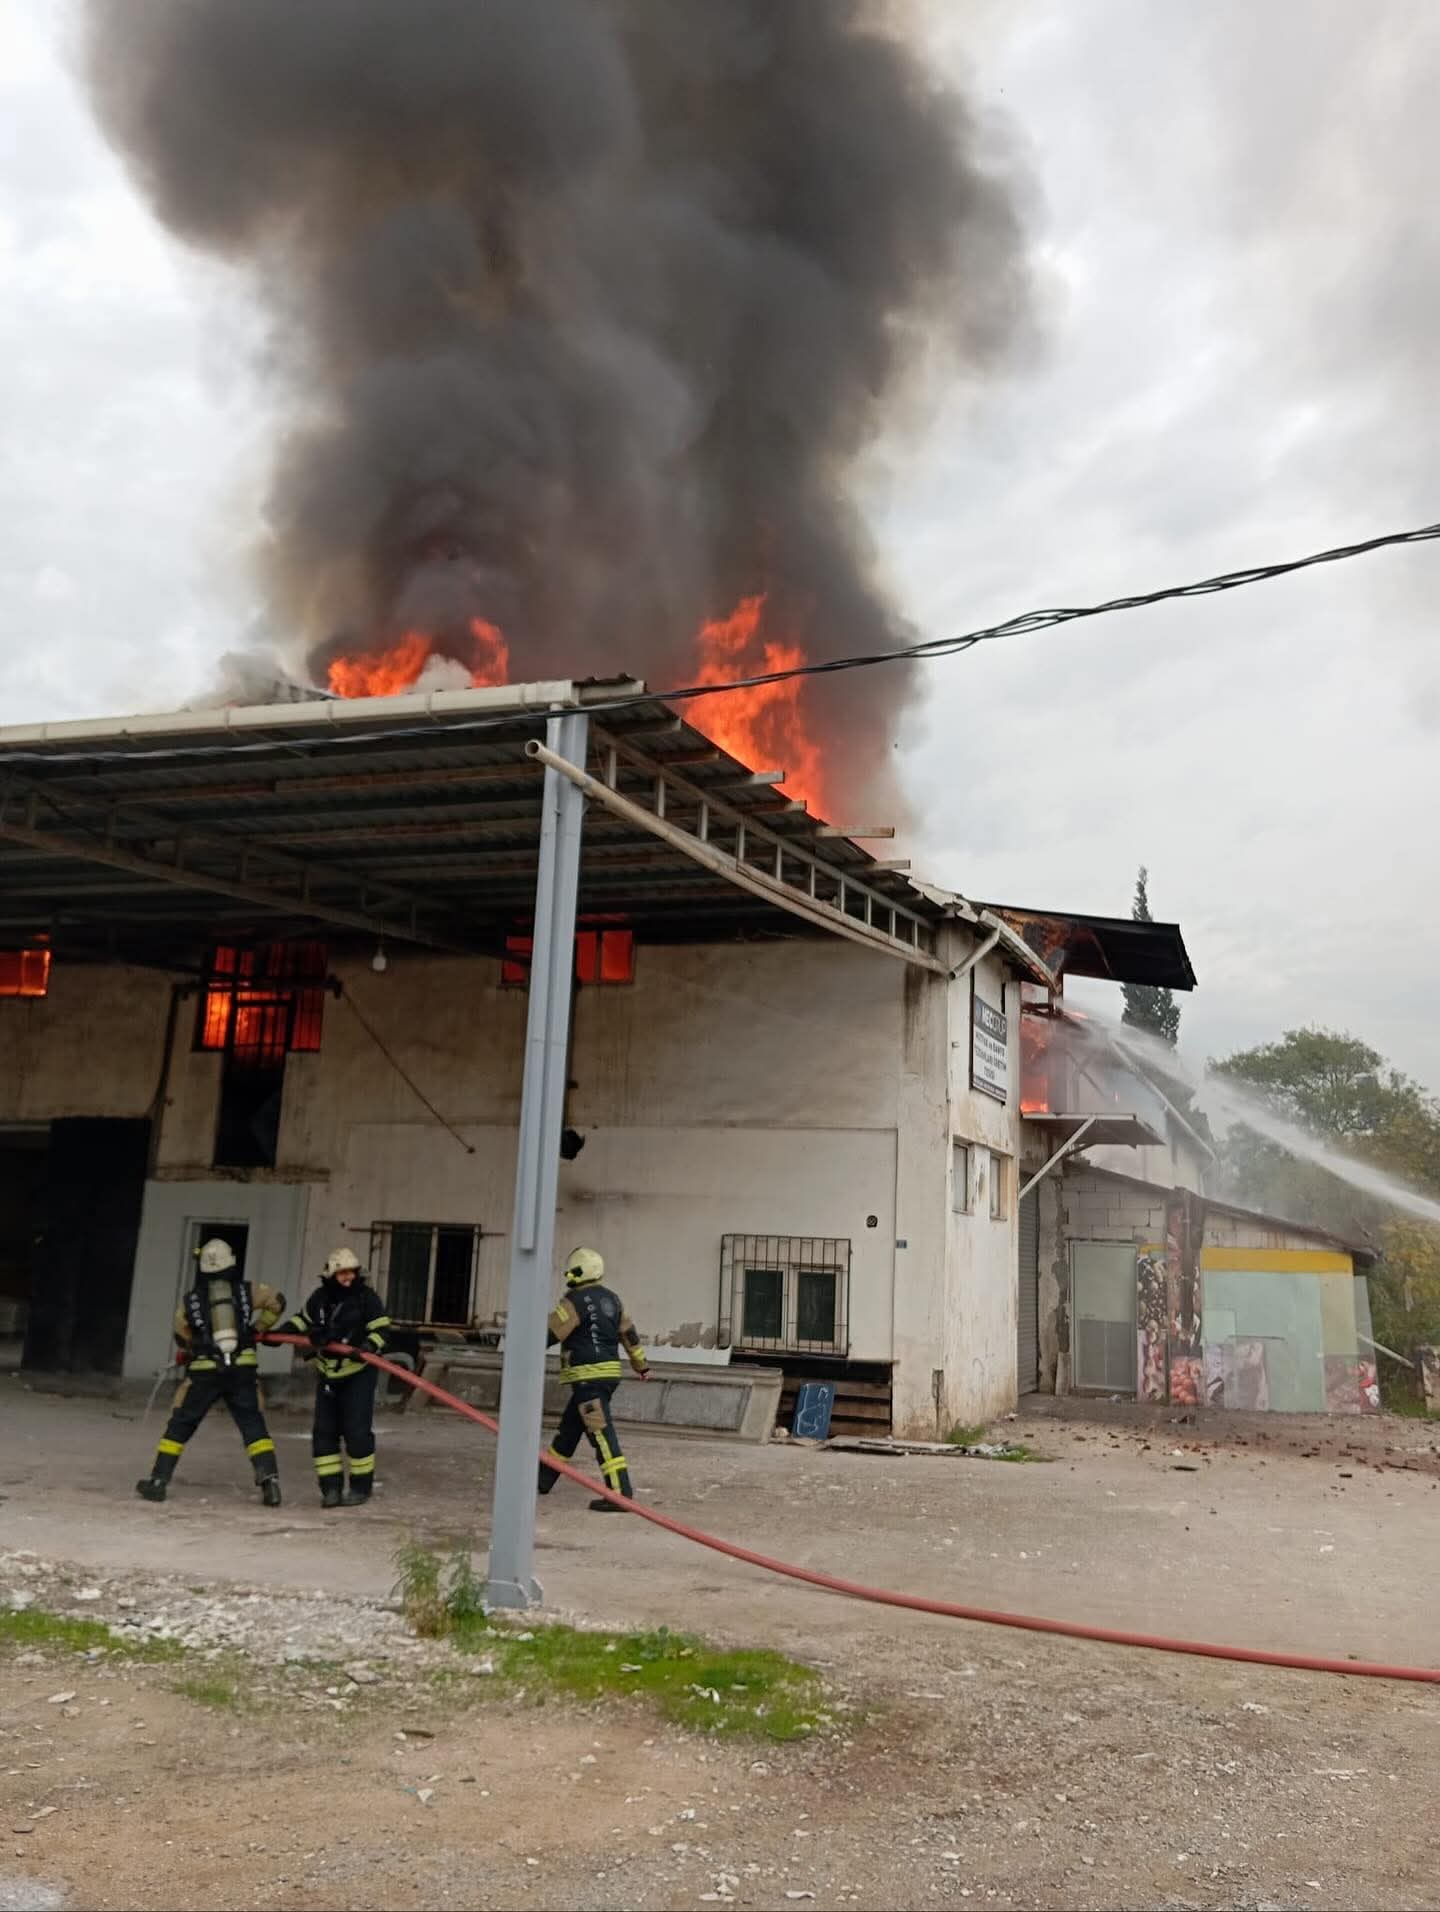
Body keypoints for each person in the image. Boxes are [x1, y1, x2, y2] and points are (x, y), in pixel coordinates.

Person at [136, 1238, 285, 1506]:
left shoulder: (190, 1300)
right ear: (231, 1263)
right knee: (252, 1424)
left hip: (205, 1372)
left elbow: (181, 1333)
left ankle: (158, 1482)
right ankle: (270, 1484)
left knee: (182, 1424)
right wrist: (257, 1329)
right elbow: (277, 1302)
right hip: (242, 1370)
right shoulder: (247, 1291)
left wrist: (194, 1345)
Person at [538, 1246, 650, 1513]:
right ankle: (542, 1479)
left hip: (587, 1378)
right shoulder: (614, 1300)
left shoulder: (574, 1301)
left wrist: (522, 1346)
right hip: (607, 1376)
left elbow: (550, 1332)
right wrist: (642, 1366)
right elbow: (630, 1337)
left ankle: (620, 1493)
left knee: (600, 1433)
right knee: (568, 1431)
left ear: (578, 1272)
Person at [281, 1247, 391, 1508]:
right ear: (331, 1275)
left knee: (357, 1433)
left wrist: (368, 1347)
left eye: (351, 1272)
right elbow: (303, 1320)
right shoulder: (320, 1298)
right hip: (328, 1374)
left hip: (357, 1374)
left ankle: (360, 1488)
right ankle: (330, 1489)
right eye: (342, 1273)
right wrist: (282, 1333)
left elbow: (382, 1329)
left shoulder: (367, 1299)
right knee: (324, 1434)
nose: (348, 1278)